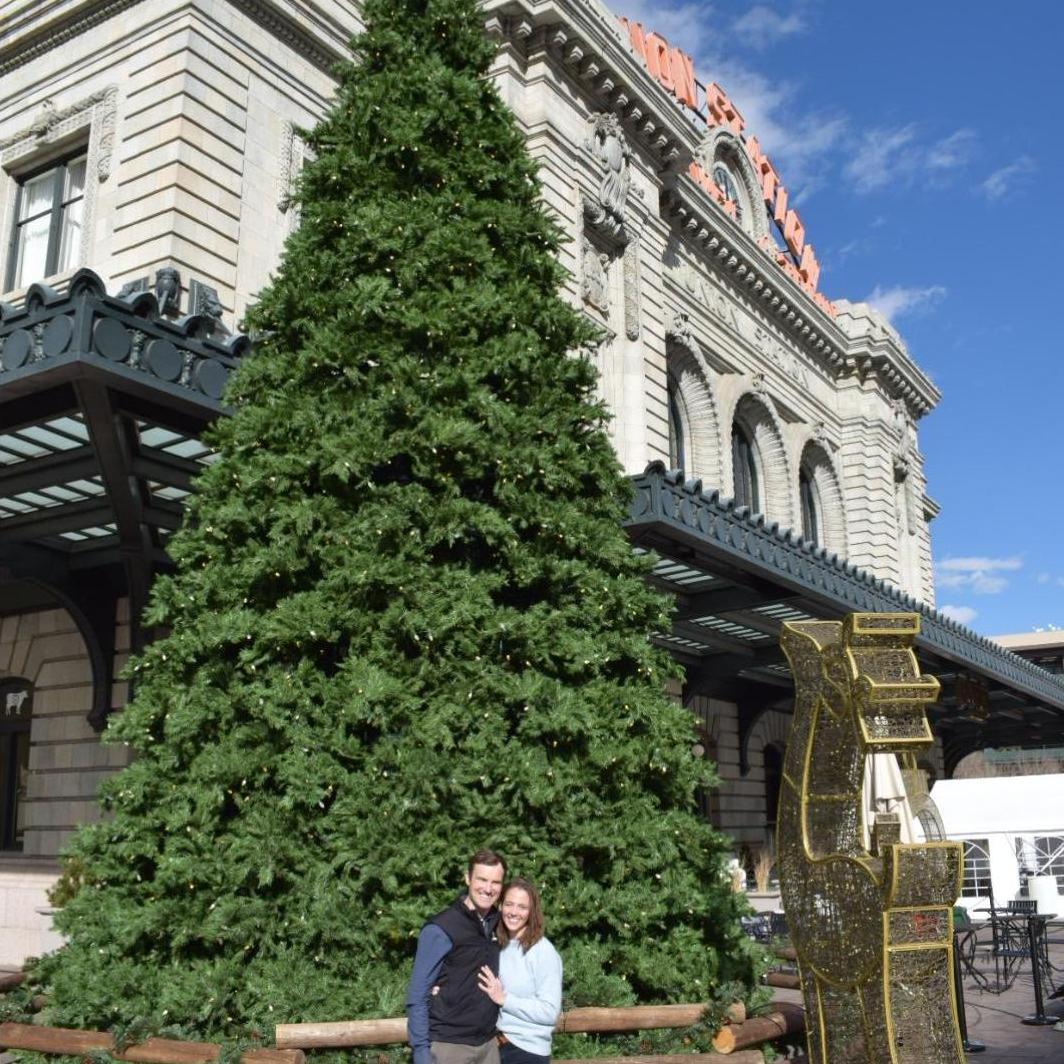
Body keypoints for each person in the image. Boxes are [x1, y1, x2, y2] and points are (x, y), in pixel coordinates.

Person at [406, 849, 507, 1064]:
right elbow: (417, 996)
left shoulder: (498, 925)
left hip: (488, 1046)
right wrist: (422, 1053)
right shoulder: (441, 928)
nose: (488, 889)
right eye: (482, 879)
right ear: (467, 878)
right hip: (449, 1048)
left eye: (495, 882)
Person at [476, 878, 562, 1064]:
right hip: (496, 1047)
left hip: (527, 1053)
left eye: (522, 907)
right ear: (500, 906)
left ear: (532, 912)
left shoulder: (543, 951)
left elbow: (550, 1012)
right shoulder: (498, 945)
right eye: (509, 904)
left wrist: (505, 999)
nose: (514, 912)